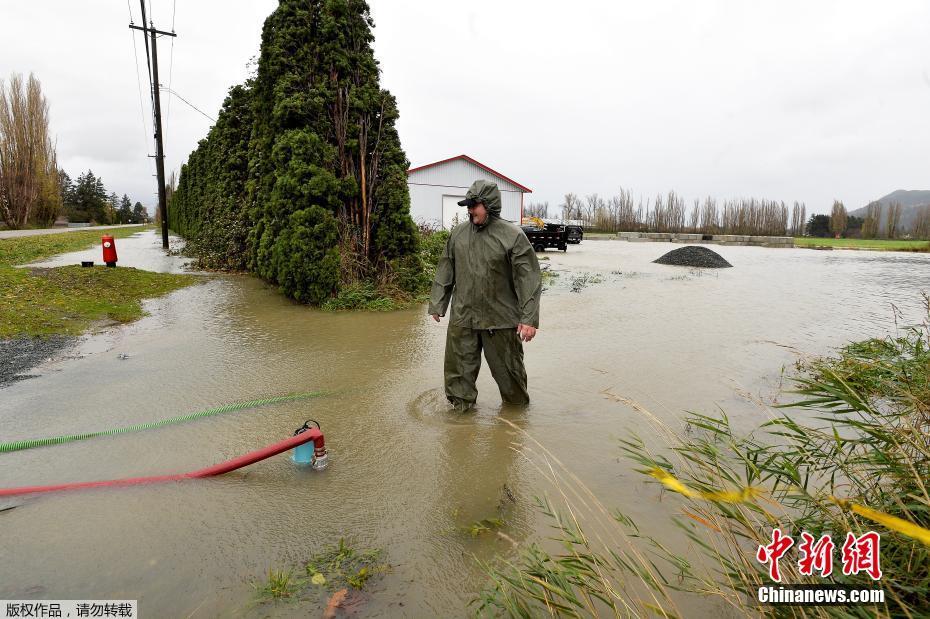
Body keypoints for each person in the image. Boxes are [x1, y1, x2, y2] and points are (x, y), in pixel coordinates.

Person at [428, 180, 542, 410]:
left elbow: (528, 278)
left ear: (488, 204)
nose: (470, 210)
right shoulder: (458, 235)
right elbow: (446, 268)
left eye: (474, 205)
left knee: (512, 381)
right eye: (468, 206)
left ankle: (515, 422)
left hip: (500, 320)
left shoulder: (512, 236)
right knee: (458, 377)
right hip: (463, 319)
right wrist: (437, 303)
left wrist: (529, 319)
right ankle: (460, 422)